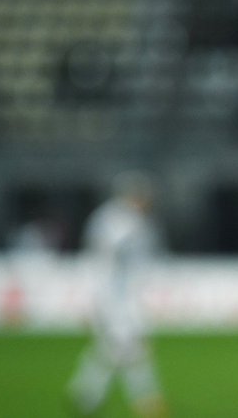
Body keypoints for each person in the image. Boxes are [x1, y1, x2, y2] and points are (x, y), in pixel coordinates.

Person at [69, 170, 168, 417]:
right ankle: (147, 402)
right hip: (115, 296)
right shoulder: (118, 221)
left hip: (121, 294)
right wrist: (101, 298)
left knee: (115, 349)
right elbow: (108, 260)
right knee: (132, 348)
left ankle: (86, 394)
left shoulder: (122, 219)